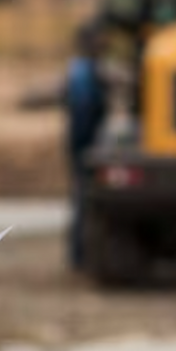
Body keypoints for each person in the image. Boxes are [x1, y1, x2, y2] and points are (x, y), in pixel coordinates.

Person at [64, 21, 108, 271]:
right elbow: (83, 109)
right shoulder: (83, 72)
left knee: (81, 198)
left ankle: (79, 252)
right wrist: (86, 147)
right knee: (82, 198)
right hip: (84, 143)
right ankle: (79, 254)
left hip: (82, 142)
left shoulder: (84, 69)